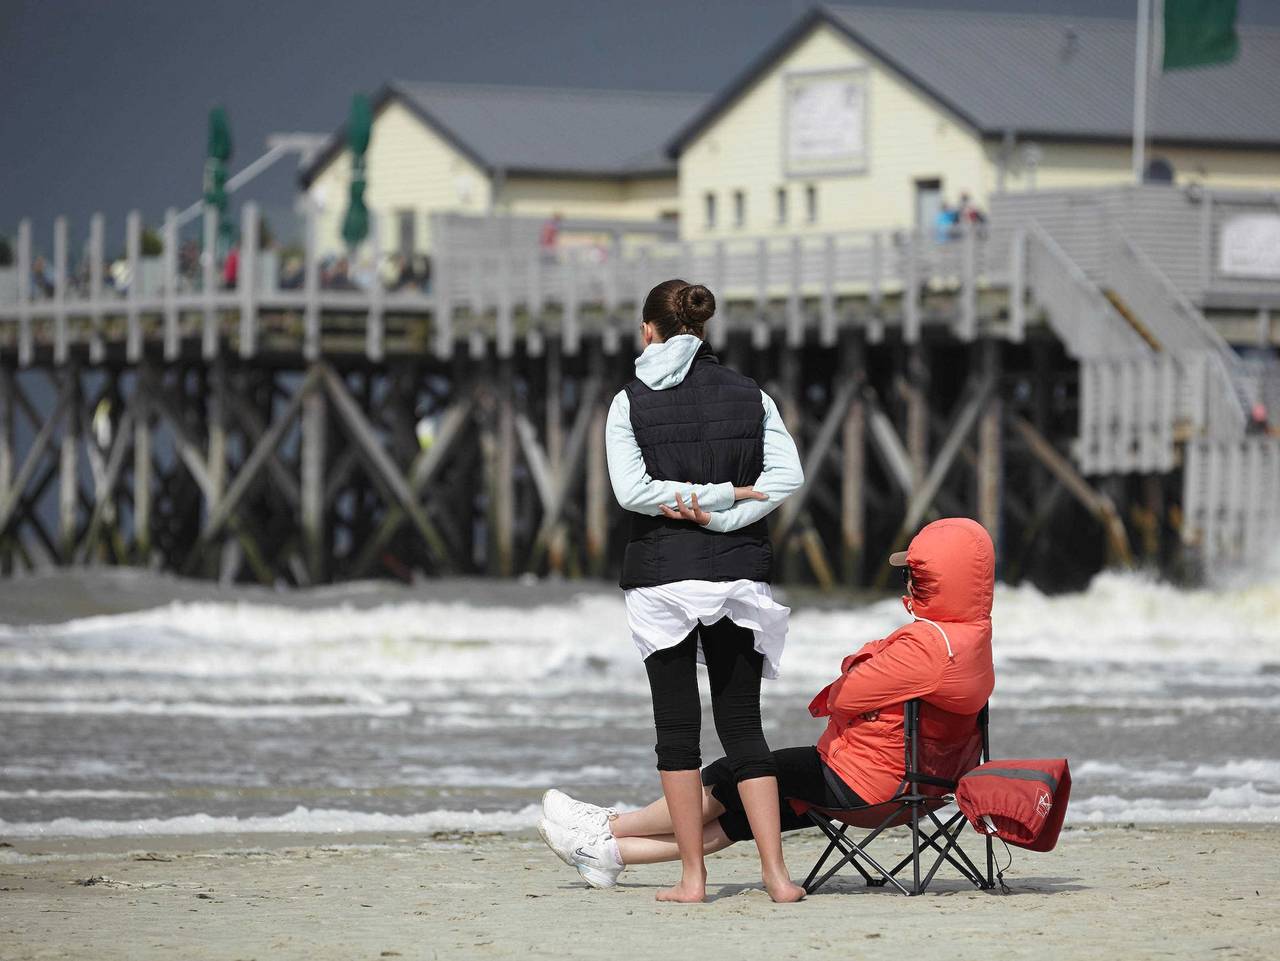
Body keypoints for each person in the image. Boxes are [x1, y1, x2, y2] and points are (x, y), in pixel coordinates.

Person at [539, 517, 996, 893]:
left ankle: (607, 824)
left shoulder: (924, 645)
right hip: (927, 791)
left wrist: (864, 658)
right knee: (745, 814)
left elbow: (843, 698)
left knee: (735, 775)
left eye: (911, 573)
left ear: (933, 581)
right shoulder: (974, 641)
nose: (907, 581)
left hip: (864, 787)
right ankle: (607, 853)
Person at [540, 279, 806, 904]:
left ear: (647, 331)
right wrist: (725, 508)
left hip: (662, 579)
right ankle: (777, 877)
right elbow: (786, 476)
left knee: (677, 731)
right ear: (703, 330)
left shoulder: (627, 401)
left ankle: (693, 879)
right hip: (739, 576)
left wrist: (700, 508)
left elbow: (632, 492)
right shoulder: (751, 394)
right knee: (744, 728)